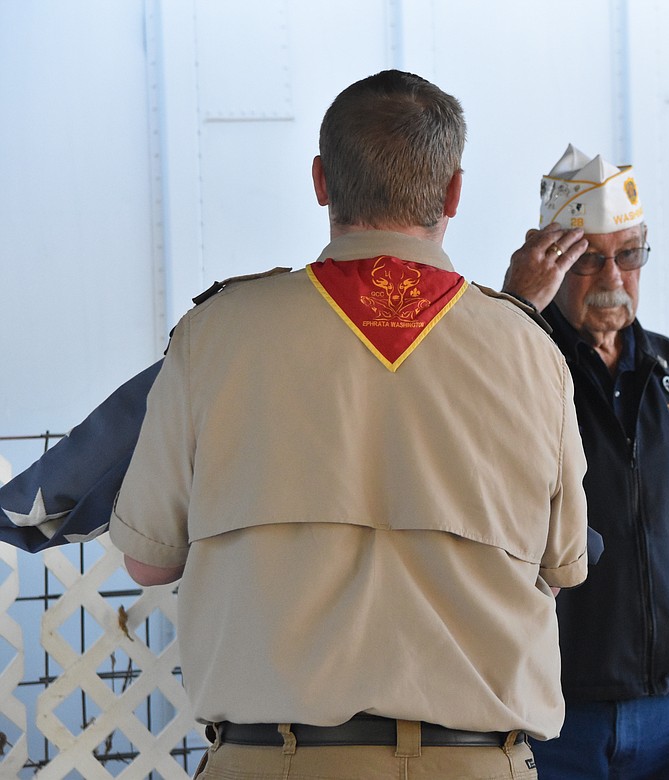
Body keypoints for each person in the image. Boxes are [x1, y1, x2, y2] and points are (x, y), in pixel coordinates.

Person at [109, 70, 589, 780]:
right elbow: (563, 569)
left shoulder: (215, 336)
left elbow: (148, 561)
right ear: (455, 191)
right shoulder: (532, 354)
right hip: (474, 763)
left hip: (273, 760)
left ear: (320, 181)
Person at [501, 144, 669, 779]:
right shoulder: (513, 358)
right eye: (588, 259)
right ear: (551, 261)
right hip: (553, 709)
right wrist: (512, 313)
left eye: (629, 254)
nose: (613, 277)